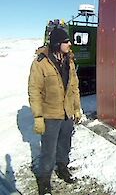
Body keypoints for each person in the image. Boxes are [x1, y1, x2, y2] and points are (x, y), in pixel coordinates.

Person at [28, 28, 82, 195]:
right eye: (66, 41)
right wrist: (38, 116)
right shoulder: (41, 63)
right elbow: (34, 90)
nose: (70, 44)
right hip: (50, 114)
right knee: (48, 151)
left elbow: (74, 87)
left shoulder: (69, 61)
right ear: (58, 44)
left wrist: (76, 108)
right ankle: (44, 181)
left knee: (65, 145)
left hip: (66, 113)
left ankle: (63, 168)